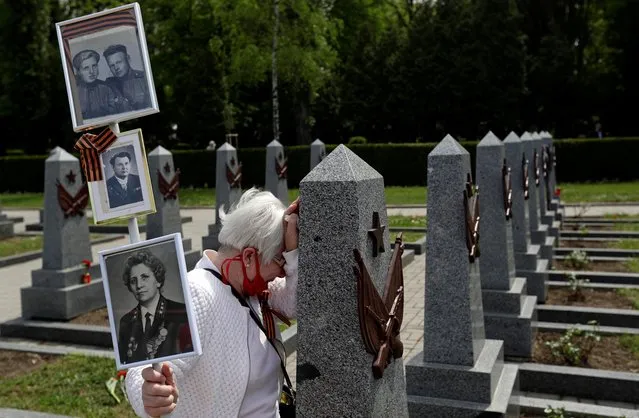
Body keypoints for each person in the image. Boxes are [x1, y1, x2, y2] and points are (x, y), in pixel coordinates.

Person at [125, 188, 299, 417]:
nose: (282, 270)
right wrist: (148, 394)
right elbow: (143, 366)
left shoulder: (250, 287)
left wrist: (293, 253)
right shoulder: (198, 292)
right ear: (248, 257)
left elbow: (297, 304)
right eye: (279, 258)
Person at [118, 250, 192, 365]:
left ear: (158, 280)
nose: (139, 285)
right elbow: (126, 364)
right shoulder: (126, 322)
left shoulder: (181, 313)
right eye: (133, 281)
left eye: (144, 277)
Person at [72, 49, 128, 119]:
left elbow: (116, 115)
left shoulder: (106, 88)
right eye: (86, 68)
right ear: (78, 72)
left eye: (94, 66)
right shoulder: (73, 93)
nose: (91, 71)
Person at [103, 44, 150, 111]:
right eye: (111, 65)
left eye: (119, 62)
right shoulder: (107, 86)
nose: (116, 68)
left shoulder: (144, 79)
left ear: (128, 59)